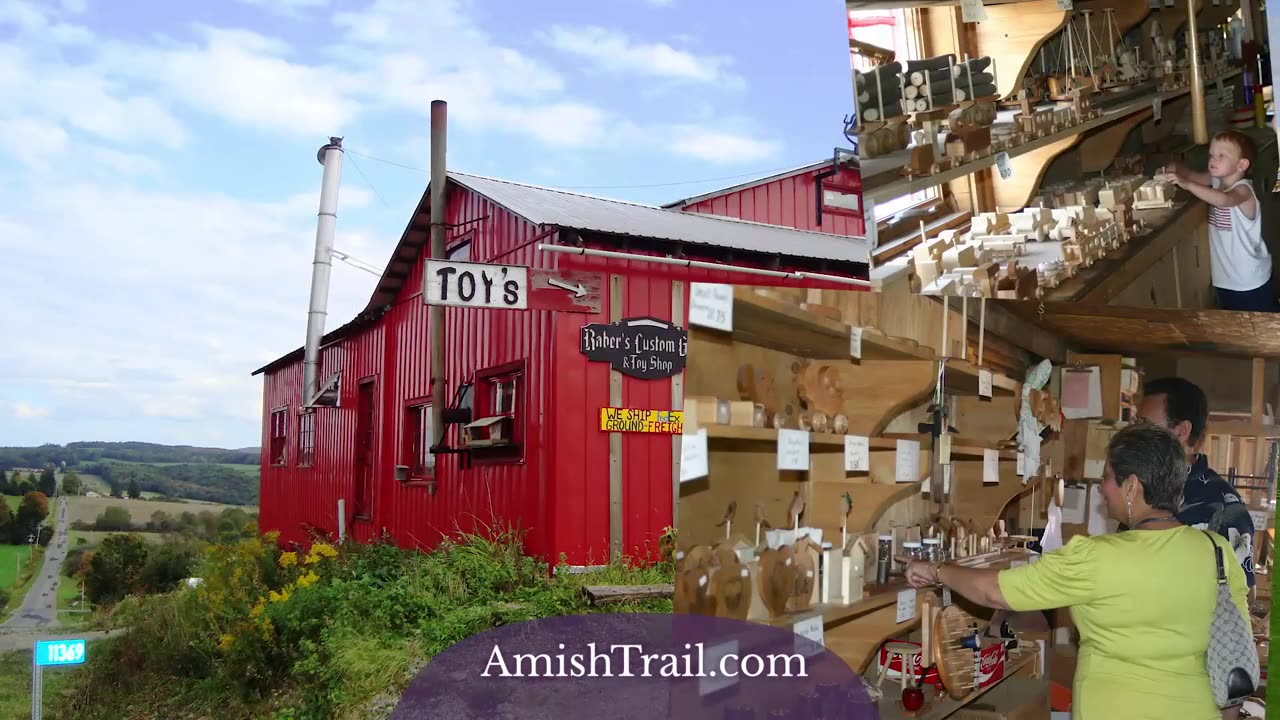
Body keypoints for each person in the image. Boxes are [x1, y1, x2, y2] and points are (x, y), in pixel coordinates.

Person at [905, 424, 1249, 720]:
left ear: (1131, 486)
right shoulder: (1216, 551)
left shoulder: (1096, 558)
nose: (1102, 488)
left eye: (1107, 478)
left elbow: (994, 591)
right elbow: (1236, 650)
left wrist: (936, 569)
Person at [1137, 376, 1256, 603]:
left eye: (1146, 426)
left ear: (1181, 431)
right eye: (1136, 423)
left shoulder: (1223, 504)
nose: (1136, 434)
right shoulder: (1139, 488)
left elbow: (1243, 598)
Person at [1163, 130, 1275, 312]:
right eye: (1212, 155)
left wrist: (1188, 185)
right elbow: (1193, 175)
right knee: (1235, 331)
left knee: (1264, 331)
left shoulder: (1244, 191)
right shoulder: (1216, 180)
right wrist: (1174, 167)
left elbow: (1223, 200)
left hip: (1249, 281)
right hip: (1226, 279)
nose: (1213, 160)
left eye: (1221, 156)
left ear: (1242, 165)